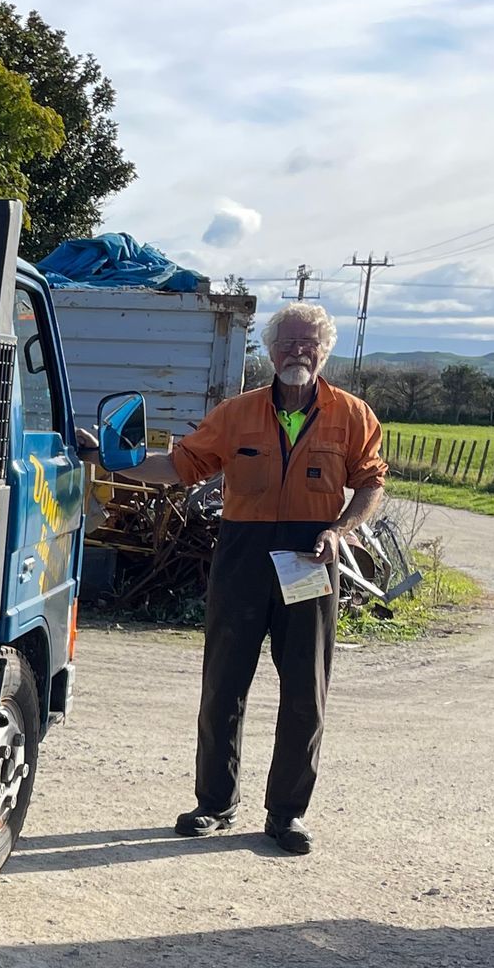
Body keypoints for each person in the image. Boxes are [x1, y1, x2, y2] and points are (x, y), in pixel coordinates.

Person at [78, 301, 386, 855]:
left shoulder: (353, 415)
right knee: (223, 686)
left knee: (305, 694)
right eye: (287, 342)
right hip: (242, 554)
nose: (297, 352)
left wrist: (341, 529)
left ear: (325, 350)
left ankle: (286, 814)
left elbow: (370, 485)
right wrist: (110, 460)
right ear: (269, 351)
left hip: (311, 557)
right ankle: (214, 804)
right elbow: (179, 466)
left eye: (308, 343)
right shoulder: (236, 413)